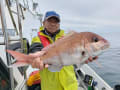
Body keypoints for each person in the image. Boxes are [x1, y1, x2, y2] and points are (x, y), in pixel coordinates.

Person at [29, 11, 98, 90]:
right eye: (50, 21)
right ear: (44, 23)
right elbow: (35, 49)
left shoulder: (67, 38)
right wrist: (37, 57)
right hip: (51, 87)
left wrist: (82, 60)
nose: (53, 24)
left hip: (70, 85)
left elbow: (73, 59)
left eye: (56, 21)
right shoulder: (37, 38)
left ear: (59, 24)